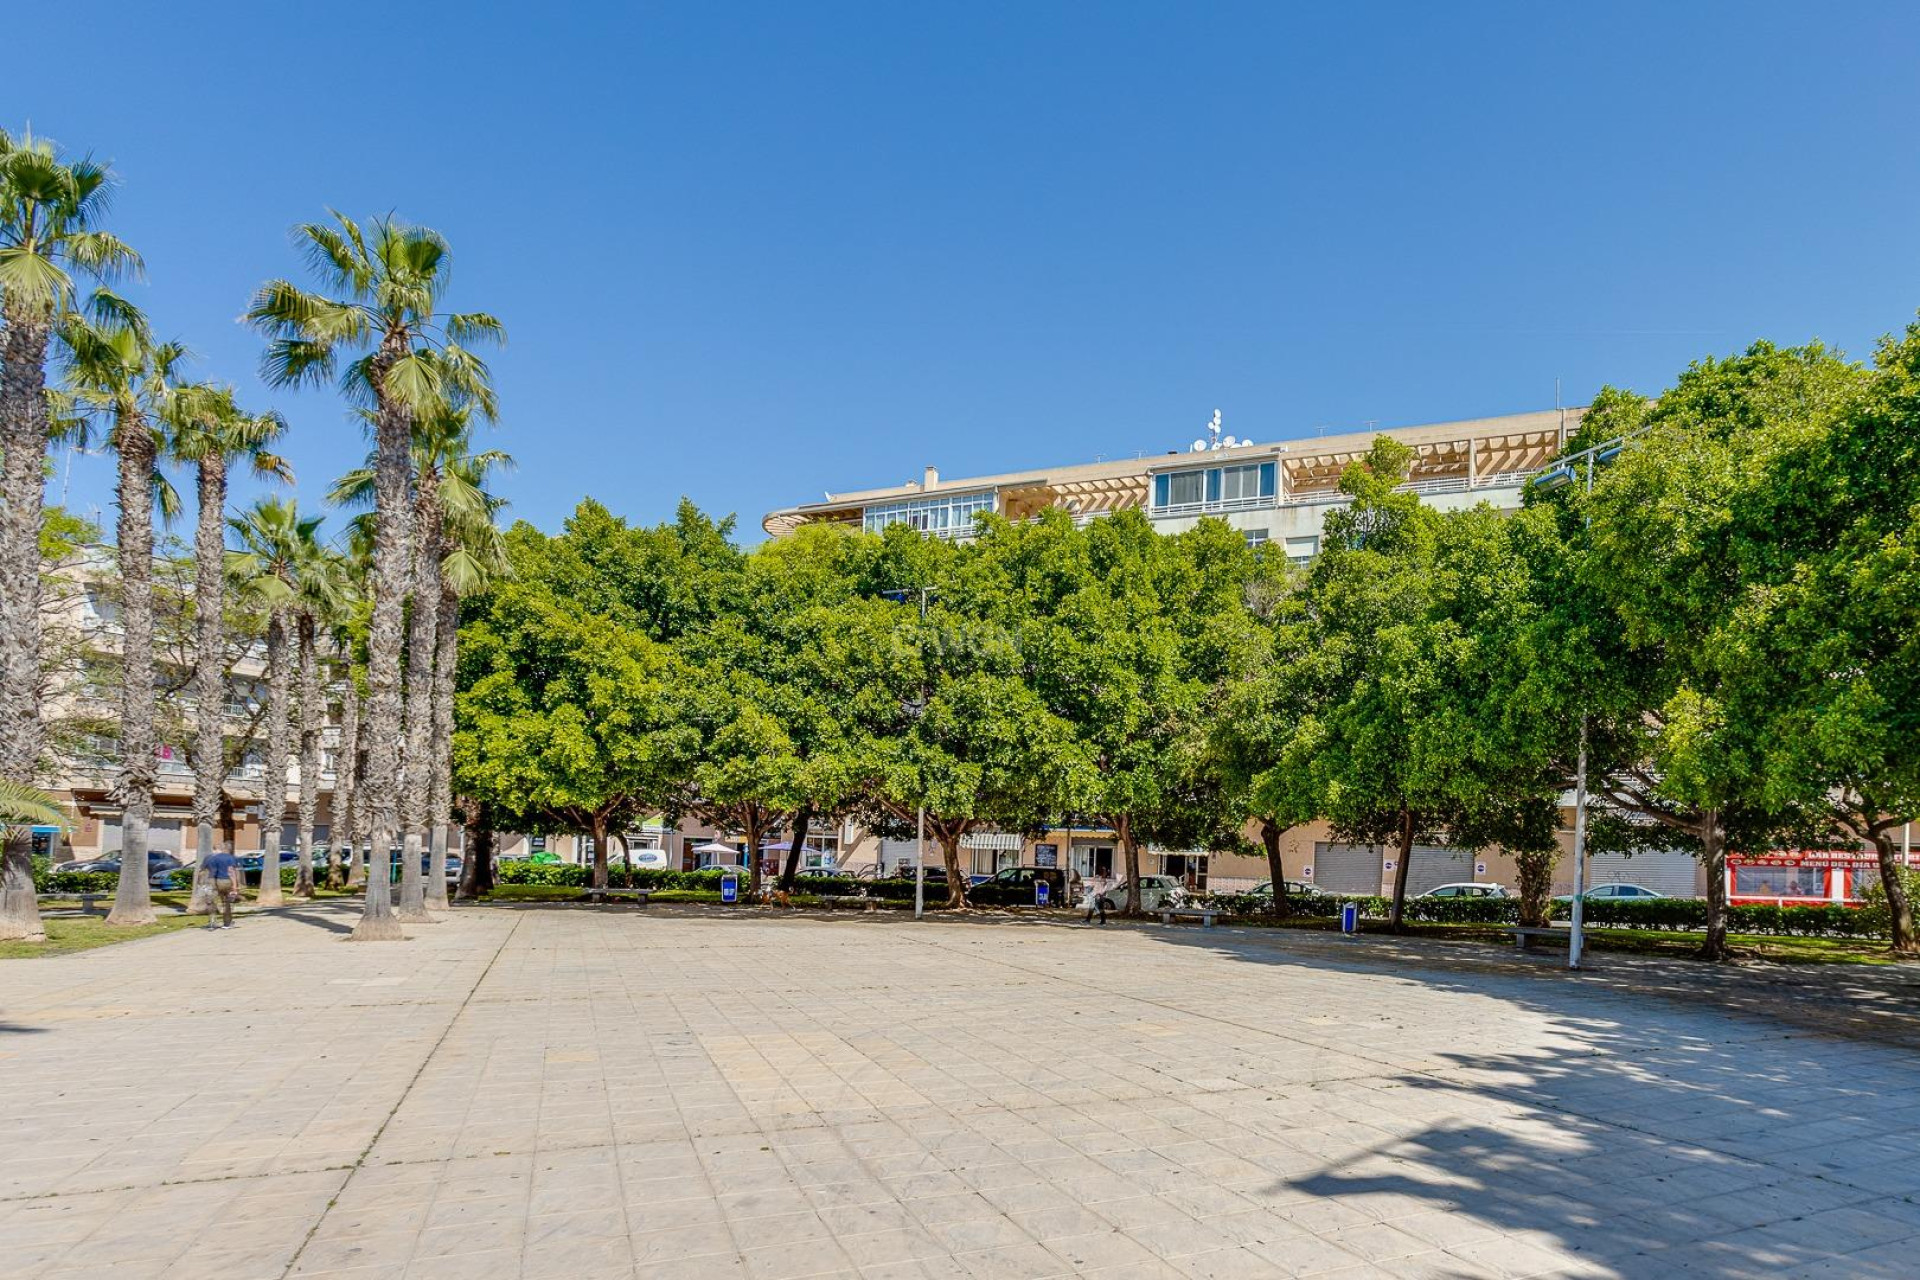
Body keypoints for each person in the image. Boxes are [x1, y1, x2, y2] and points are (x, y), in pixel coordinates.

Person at [203, 848, 241, 930]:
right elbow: (231, 871)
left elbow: (203, 871)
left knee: (211, 901)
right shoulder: (230, 857)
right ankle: (227, 923)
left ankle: (212, 922)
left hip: (210, 880)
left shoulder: (208, 858)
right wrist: (235, 886)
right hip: (225, 880)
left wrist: (201, 884)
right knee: (226, 902)